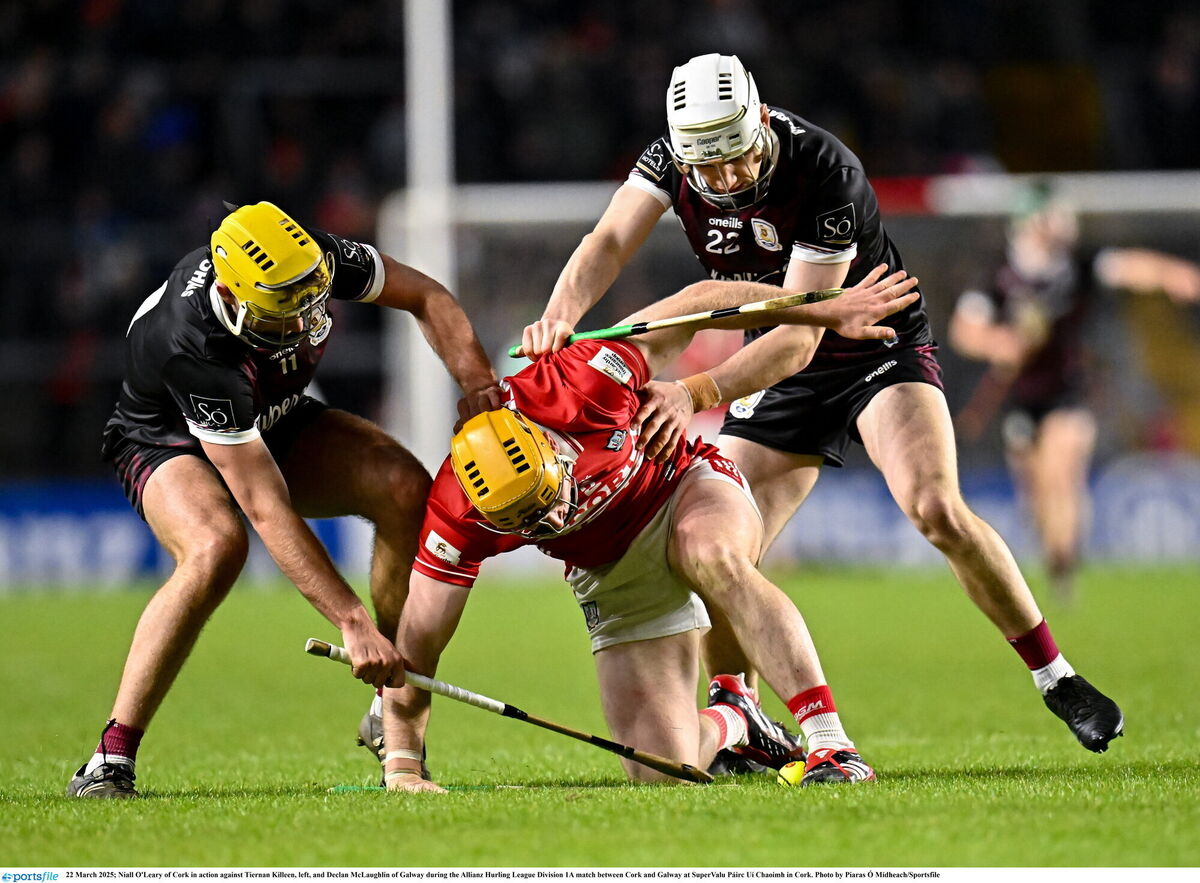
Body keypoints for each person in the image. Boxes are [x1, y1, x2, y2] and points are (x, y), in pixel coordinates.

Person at [521, 54, 1125, 755]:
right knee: (715, 542)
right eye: (705, 171)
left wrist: (695, 392)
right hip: (772, 366)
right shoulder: (670, 160)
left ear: (761, 124)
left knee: (935, 507)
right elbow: (608, 241)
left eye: (736, 162)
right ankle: (738, 708)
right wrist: (557, 314)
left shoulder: (825, 169)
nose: (723, 182)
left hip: (872, 351)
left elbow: (801, 335)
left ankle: (1057, 676)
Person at [380, 265, 921, 792]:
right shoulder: (457, 514)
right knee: (662, 769)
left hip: (680, 485)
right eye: (530, 526)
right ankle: (739, 718)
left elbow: (697, 301)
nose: (553, 523)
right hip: (609, 567)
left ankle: (831, 744)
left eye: (549, 502)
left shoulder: (584, 380)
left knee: (709, 553)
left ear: (554, 454)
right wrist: (402, 764)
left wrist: (820, 307)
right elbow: (418, 646)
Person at [66, 201, 503, 798]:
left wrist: (479, 384)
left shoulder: (306, 263)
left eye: (310, 310)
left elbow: (426, 295)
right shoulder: (191, 345)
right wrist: (350, 621)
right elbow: (266, 505)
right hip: (167, 437)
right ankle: (110, 757)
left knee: (404, 487)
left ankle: (393, 710)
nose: (301, 327)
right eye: (282, 319)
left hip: (273, 415)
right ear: (232, 294)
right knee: (217, 548)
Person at [950, 188, 1200, 599]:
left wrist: (1172, 274)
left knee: (1062, 471)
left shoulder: (1079, 265)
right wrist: (1000, 343)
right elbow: (965, 332)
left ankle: (1066, 565)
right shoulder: (998, 276)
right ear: (1030, 223)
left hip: (1070, 388)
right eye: (1054, 217)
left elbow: (1131, 266)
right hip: (1021, 396)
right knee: (1036, 492)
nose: (1065, 224)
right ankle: (1053, 555)